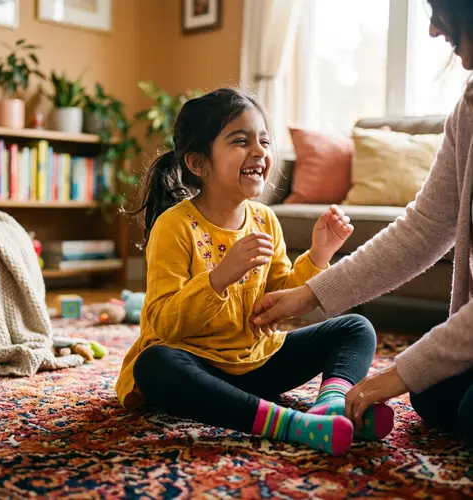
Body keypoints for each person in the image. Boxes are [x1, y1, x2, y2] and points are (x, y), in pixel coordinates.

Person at [115, 88, 394, 456]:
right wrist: (218, 278)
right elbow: (164, 323)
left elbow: (283, 301)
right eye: (241, 141)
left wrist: (319, 253)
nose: (260, 151)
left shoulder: (265, 220)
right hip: (202, 368)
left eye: (264, 140)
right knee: (153, 366)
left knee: (356, 328)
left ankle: (330, 407)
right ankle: (291, 424)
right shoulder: (175, 227)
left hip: (260, 362)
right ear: (198, 163)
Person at [251, 0, 473, 446]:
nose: (432, 30)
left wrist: (398, 373)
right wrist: (309, 293)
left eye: (439, 11)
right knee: (433, 397)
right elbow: (425, 227)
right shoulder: (467, 109)